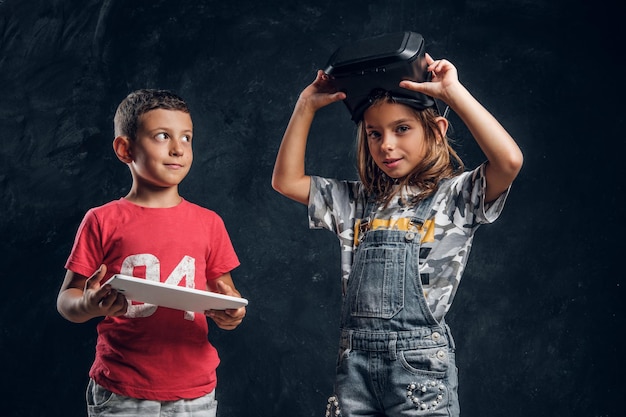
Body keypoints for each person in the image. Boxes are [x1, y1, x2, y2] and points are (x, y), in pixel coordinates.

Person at [272, 50, 523, 417]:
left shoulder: (456, 197)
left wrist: (453, 93)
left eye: (401, 129)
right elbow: (286, 180)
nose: (386, 144)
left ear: (436, 130)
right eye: (375, 133)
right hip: (354, 367)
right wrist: (305, 105)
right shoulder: (354, 202)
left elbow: (509, 161)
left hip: (419, 368)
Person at [57, 89, 246, 417]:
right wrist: (87, 304)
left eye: (186, 138)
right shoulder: (102, 220)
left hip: (195, 391)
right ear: (125, 148)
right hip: (123, 387)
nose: (178, 148)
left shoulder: (209, 223)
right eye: (162, 136)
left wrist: (232, 314)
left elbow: (224, 295)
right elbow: (67, 300)